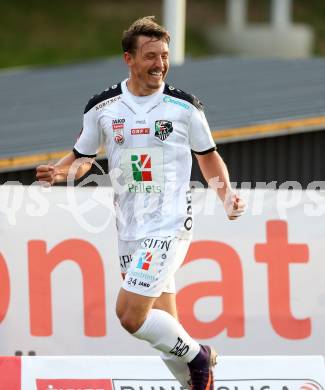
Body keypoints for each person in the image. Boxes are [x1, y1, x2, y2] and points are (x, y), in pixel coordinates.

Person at [36, 16, 245, 390]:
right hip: (129, 227)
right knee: (164, 327)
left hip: (170, 224)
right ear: (129, 59)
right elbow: (83, 157)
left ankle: (200, 355)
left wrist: (226, 194)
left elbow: (208, 156)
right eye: (150, 56)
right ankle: (196, 380)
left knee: (131, 316)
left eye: (164, 56)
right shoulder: (103, 107)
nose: (160, 64)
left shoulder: (184, 107)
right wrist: (61, 172)